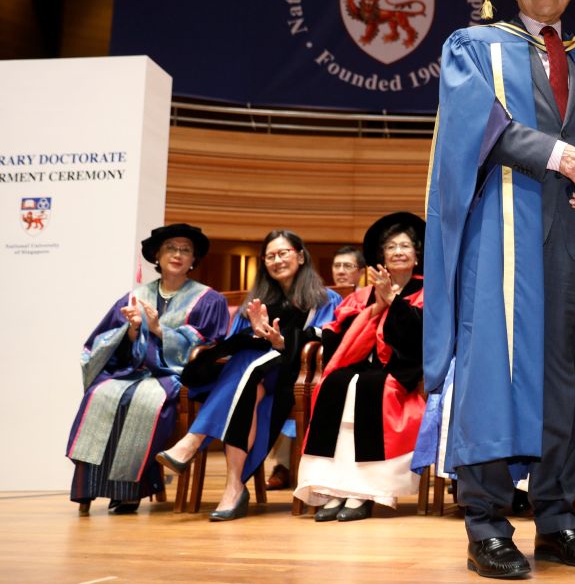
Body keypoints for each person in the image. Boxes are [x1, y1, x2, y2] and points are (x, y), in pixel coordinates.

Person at [422, 0, 575, 578]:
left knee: (563, 381)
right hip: (504, 234)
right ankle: (487, 526)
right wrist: (556, 152)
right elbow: (477, 123)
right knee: (494, 372)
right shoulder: (473, 46)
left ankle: (558, 520)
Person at [157, 230, 341, 521]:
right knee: (246, 371)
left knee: (248, 368)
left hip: (291, 376)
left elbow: (327, 342)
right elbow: (232, 344)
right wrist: (253, 334)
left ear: (300, 256)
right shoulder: (257, 301)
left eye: (283, 253)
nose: (277, 260)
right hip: (254, 377)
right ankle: (233, 487)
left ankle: (193, 440)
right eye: (270, 256)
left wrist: (280, 341)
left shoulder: (325, 299)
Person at [67, 223, 228, 515]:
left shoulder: (209, 299)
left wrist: (159, 329)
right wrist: (132, 330)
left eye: (186, 250)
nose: (177, 254)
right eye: (171, 248)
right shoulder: (135, 297)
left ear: (194, 260)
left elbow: (209, 344)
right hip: (133, 371)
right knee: (100, 394)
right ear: (157, 255)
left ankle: (129, 491)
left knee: (144, 401)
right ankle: (88, 487)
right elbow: (103, 342)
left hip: (175, 375)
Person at [295, 212, 425, 522]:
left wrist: (394, 302)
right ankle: (334, 488)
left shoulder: (427, 292)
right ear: (382, 256)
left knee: (369, 389)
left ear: (417, 256)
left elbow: (418, 341)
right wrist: (375, 308)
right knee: (335, 384)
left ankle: (365, 492)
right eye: (391, 247)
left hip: (402, 370)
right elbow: (336, 335)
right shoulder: (362, 294)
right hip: (359, 366)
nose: (397, 252)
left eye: (405, 246)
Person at [265, 246, 367, 491]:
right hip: (304, 362)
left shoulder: (364, 297)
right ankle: (283, 465)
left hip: (339, 363)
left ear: (361, 272)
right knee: (282, 385)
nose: (341, 271)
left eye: (348, 266)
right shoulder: (320, 297)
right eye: (337, 266)